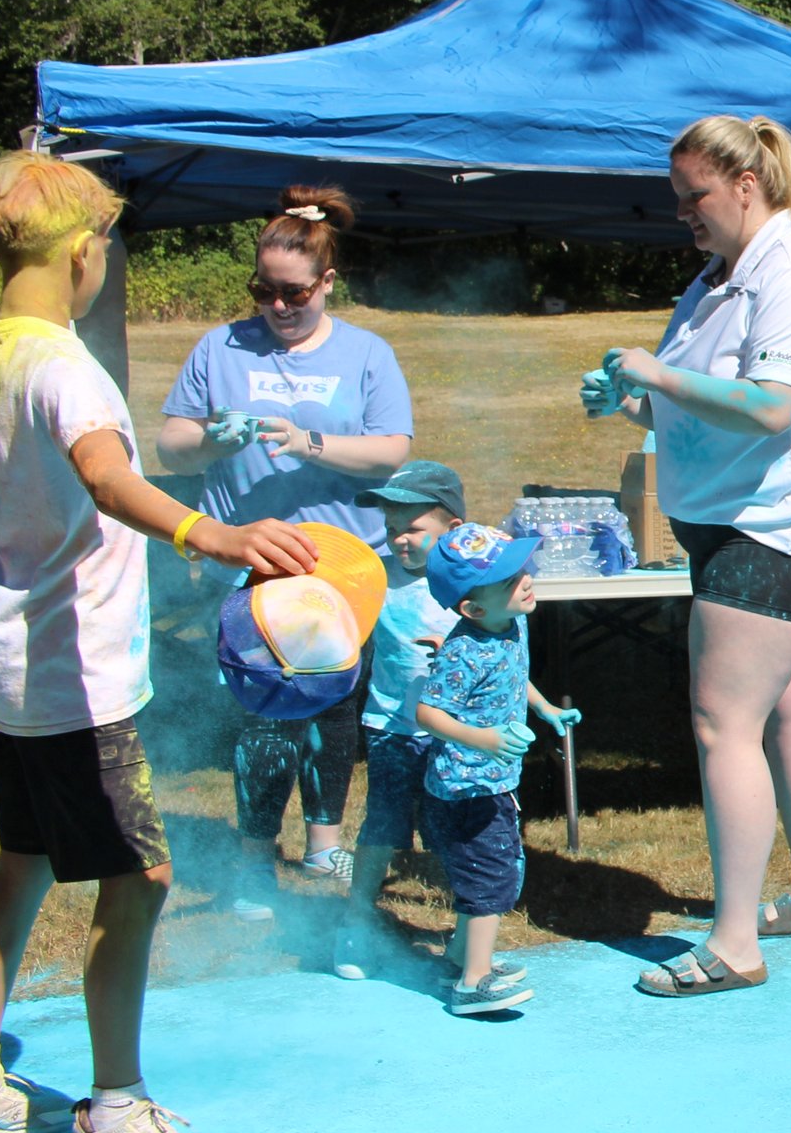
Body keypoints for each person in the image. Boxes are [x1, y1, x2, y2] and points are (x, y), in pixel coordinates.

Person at [0, 151, 316, 1133]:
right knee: (141, 873)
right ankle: (111, 1117)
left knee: (22, 858)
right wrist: (217, 533)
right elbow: (108, 476)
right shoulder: (66, 367)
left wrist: (14, 546)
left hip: (8, 653)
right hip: (76, 669)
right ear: (83, 254)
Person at [588, 114, 791, 996]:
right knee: (783, 707)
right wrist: (634, 400)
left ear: (747, 185)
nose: (684, 214)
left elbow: (771, 407)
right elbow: (707, 404)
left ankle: (735, 942)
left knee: (722, 722)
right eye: (677, 201)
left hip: (782, 524)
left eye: (695, 197)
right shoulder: (716, 281)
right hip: (729, 521)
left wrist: (660, 375)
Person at [156, 186, 414, 919]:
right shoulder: (221, 346)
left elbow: (393, 451)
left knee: (333, 704)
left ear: (328, 282)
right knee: (265, 708)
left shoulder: (366, 352)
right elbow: (170, 447)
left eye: (293, 292)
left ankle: (324, 847)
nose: (276, 305)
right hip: (250, 558)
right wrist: (214, 438)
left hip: (342, 564)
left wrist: (309, 443)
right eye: (263, 290)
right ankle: (252, 857)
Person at [414, 524, 579, 1017]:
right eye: (510, 578)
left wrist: (546, 708)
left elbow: (515, 675)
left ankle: (462, 956)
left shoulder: (511, 623)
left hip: (490, 782)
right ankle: (474, 983)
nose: (526, 579)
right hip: (466, 789)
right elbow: (428, 713)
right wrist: (485, 739)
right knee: (489, 881)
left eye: (521, 568)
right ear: (473, 609)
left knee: (485, 875)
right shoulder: (463, 651)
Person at [332, 460, 467, 982]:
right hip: (392, 726)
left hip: (456, 732)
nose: (399, 541)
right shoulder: (375, 582)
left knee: (458, 831)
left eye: (412, 529)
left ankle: (467, 933)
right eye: (391, 530)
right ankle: (356, 921)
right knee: (381, 825)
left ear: (453, 530)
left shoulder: (475, 584)